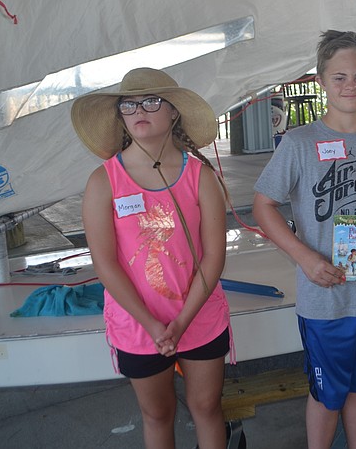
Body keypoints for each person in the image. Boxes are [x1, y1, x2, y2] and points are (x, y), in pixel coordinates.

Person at [253, 30, 356, 449]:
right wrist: (305, 259)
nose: (351, 85)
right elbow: (264, 207)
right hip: (324, 296)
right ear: (320, 82)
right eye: (340, 77)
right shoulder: (298, 143)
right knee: (327, 393)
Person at [72, 68, 231, 449]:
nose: (138, 109)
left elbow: (213, 257)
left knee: (206, 407)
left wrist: (181, 321)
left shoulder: (200, 176)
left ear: (174, 112)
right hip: (138, 324)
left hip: (199, 315)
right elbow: (105, 263)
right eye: (128, 104)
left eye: (151, 101)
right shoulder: (103, 181)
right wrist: (153, 324)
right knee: (157, 414)